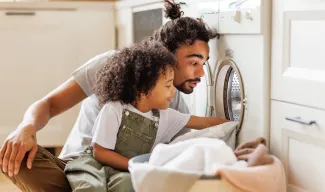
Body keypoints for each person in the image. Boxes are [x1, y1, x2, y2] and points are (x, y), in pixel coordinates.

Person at [0, 0, 271, 191]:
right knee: (16, 158)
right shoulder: (112, 66)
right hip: (75, 168)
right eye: (193, 61)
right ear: (167, 54)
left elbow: (180, 150)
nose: (201, 72)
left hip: (121, 178)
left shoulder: (172, 103)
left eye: (205, 62)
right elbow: (48, 104)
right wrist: (26, 127)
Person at [64, 40, 228, 192]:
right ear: (143, 90)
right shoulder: (114, 110)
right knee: (91, 187)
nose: (173, 91)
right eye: (168, 85)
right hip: (96, 165)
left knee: (127, 184)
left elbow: (205, 122)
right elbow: (99, 152)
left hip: (125, 170)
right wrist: (133, 165)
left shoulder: (166, 116)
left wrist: (237, 124)